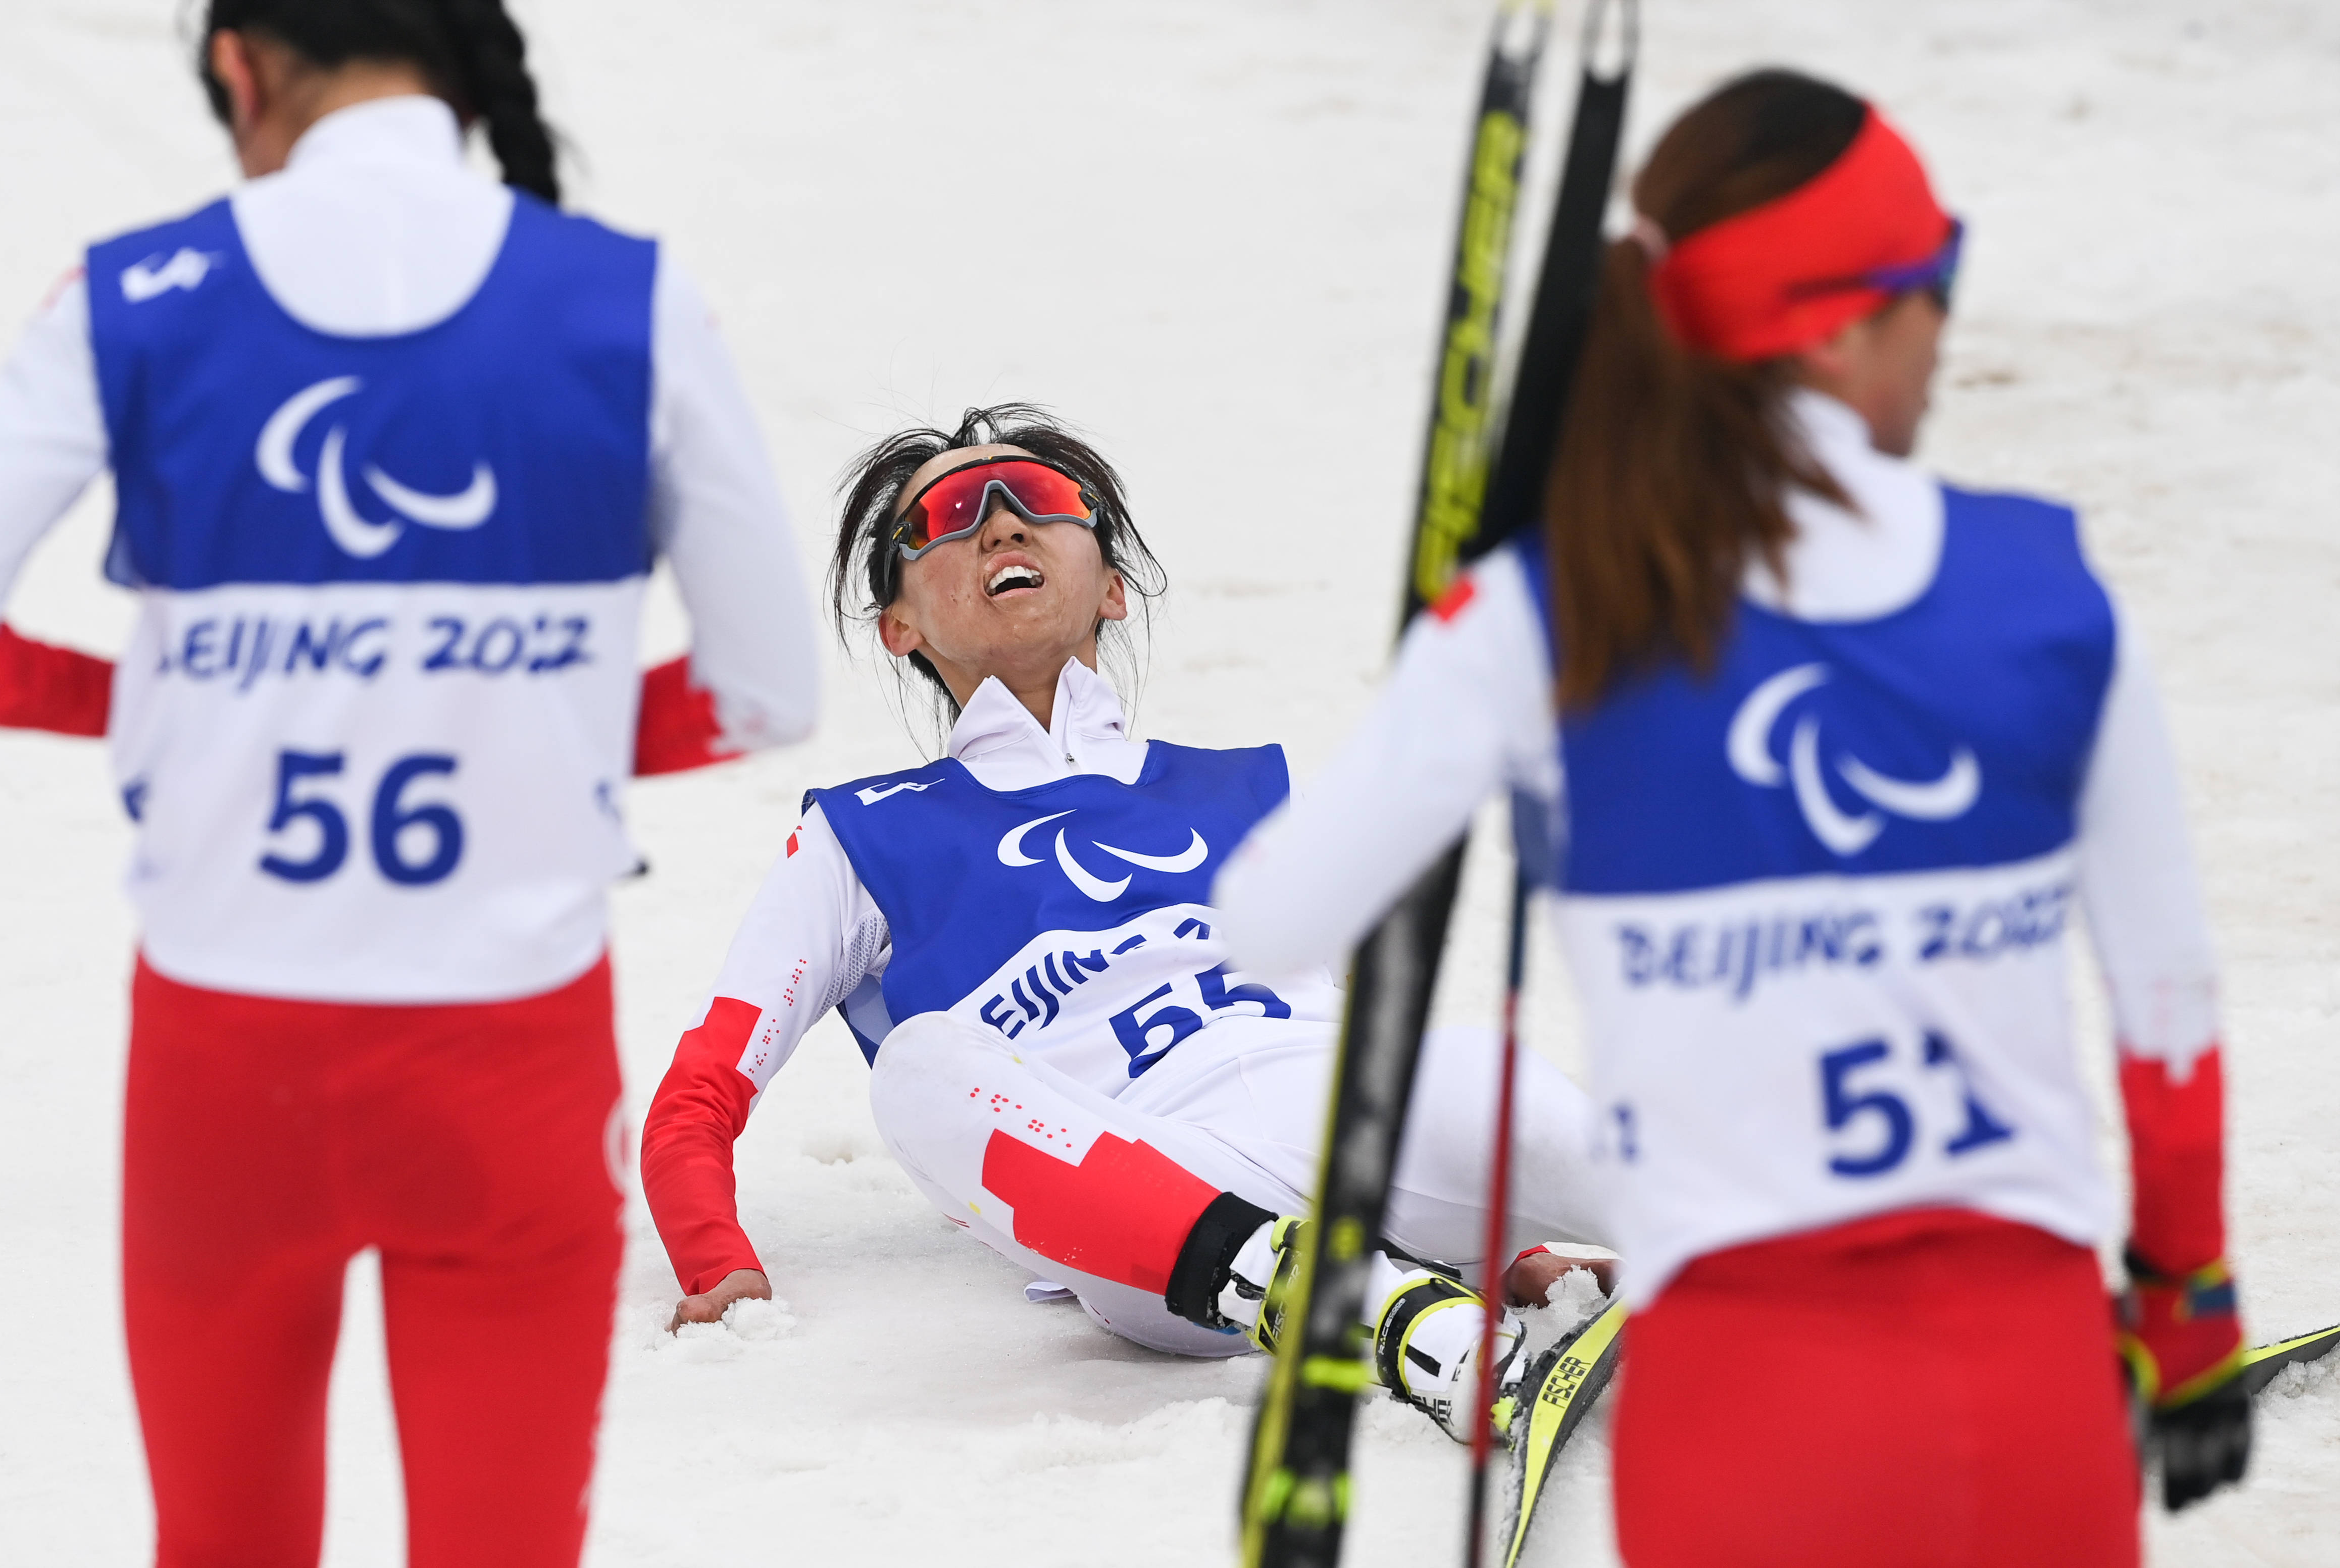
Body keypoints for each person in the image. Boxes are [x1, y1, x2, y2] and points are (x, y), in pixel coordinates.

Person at [1216, 69, 2248, 1565]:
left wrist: (1458, 647)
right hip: (2027, 1387)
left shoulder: (1548, 618)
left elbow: (1274, 920)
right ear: (1837, 323)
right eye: (1932, 286)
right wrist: (2188, 1298)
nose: (1943, 336)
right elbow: (2169, 1006)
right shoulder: (2050, 596)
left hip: (1742, 1404)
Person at [0, 4, 816, 1565]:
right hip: (506, 1057)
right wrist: (522, 724)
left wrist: (155, 713)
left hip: (223, 1060)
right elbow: (766, 685)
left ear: (240, 65)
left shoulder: (131, 295)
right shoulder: (627, 299)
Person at [639, 403, 1612, 1442]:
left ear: (1110, 584)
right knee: (919, 1066)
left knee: (1479, 1068)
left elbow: (1353, 1018)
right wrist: (719, 1265)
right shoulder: (860, 835)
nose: (1003, 525)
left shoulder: (1245, 786)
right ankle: (1394, 1323)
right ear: (901, 624)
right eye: (954, 512)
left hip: (1343, 1115)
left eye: (1045, 502)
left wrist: (1502, 1243)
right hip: (1161, 1201)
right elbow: (699, 1093)